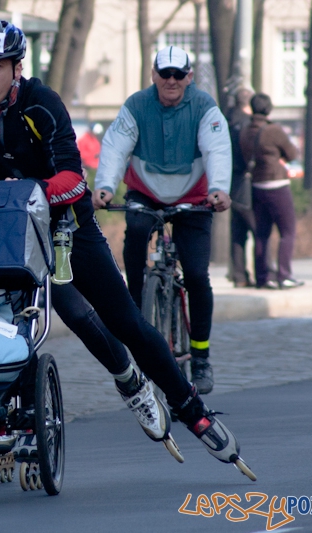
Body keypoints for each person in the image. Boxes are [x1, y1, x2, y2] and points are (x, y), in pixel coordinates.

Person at [0, 20, 248, 471]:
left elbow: (72, 175)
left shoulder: (40, 103)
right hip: (8, 230)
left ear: (15, 67)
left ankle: (189, 409)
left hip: (67, 225)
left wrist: (29, 190)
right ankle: (11, 414)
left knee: (115, 319)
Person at [94, 45, 232, 396]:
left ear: (189, 77)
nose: (170, 81)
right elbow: (115, 147)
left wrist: (218, 189)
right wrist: (105, 187)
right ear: (153, 75)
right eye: (164, 74)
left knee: (198, 274)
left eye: (177, 75)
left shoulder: (204, 107)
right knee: (136, 234)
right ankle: (137, 309)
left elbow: (217, 148)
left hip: (194, 198)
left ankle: (200, 356)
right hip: (145, 192)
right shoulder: (136, 105)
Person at [239, 93, 303, 290]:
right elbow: (293, 153)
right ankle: (284, 275)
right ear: (268, 109)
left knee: (262, 233)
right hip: (276, 184)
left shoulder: (245, 130)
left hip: (256, 185)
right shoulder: (273, 130)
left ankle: (262, 277)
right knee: (288, 231)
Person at [227, 87, 256, 287]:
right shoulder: (247, 124)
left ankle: (239, 274)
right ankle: (263, 273)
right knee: (256, 227)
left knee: (237, 232)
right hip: (246, 181)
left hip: (231, 181)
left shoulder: (226, 122)